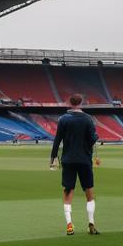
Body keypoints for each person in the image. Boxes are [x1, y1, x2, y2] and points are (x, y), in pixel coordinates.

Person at [51, 94, 99, 235]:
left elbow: (57, 140)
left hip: (68, 159)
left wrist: (53, 157)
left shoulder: (63, 119)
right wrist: (95, 137)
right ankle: (91, 223)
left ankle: (69, 224)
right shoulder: (88, 119)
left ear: (69, 103)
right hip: (84, 159)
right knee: (89, 191)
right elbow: (92, 140)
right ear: (81, 102)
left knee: (68, 190)